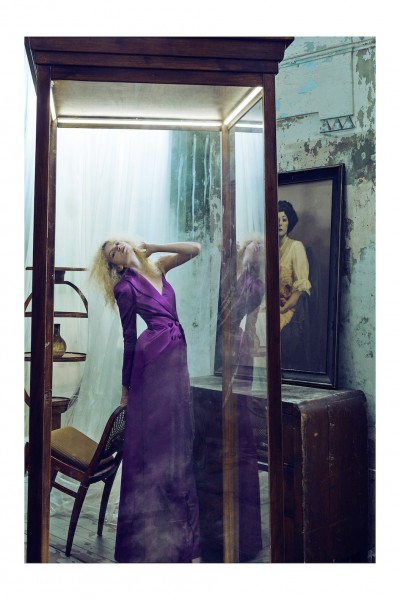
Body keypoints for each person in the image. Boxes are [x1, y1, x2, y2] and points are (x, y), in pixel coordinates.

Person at [90, 238, 202, 563]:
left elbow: (194, 249)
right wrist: (125, 389)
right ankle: (145, 540)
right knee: (156, 445)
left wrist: (152, 246)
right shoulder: (124, 288)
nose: (118, 247)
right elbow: (128, 338)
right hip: (151, 362)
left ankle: (181, 538)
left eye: (118, 242)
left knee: (178, 442)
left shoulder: (158, 266)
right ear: (116, 265)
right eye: (113, 252)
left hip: (176, 357)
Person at [278, 200, 311, 369]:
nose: (280, 224)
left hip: (289, 308)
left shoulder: (296, 247)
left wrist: (282, 309)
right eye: (276, 220)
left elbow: (300, 289)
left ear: (289, 222)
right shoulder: (266, 249)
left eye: (283, 219)